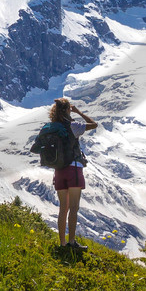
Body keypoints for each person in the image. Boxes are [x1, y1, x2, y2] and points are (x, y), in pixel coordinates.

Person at [49, 96, 97, 250]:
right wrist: (79, 112)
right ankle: (72, 242)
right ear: (68, 110)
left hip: (59, 171)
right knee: (74, 208)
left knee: (63, 208)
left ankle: (62, 243)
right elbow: (94, 124)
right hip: (73, 169)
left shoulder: (52, 127)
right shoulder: (72, 126)